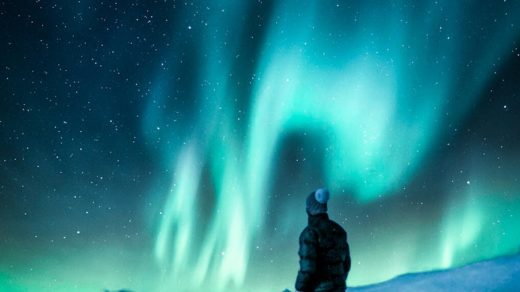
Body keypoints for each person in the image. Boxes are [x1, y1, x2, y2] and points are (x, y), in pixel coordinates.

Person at [295, 188, 351, 292]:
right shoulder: (339, 230)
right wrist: (339, 281)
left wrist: (300, 286)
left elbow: (308, 267)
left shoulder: (309, 234)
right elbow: (346, 263)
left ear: (309, 209)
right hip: (339, 287)